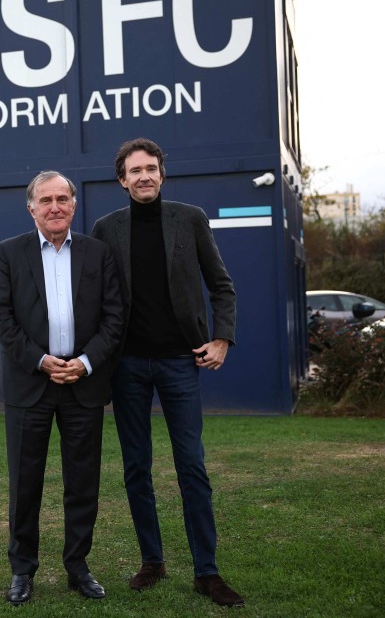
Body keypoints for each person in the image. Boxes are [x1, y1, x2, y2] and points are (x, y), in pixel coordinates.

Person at [91, 138, 244, 607]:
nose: (144, 176)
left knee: (191, 466)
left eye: (151, 168)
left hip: (181, 361)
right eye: (134, 170)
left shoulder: (190, 219)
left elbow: (221, 285)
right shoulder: (105, 228)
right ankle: (152, 561)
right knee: (137, 468)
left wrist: (222, 338)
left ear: (162, 173)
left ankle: (207, 572)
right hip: (128, 366)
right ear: (122, 179)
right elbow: (94, 298)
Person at [0, 171, 124, 606]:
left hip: (83, 384)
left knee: (83, 483)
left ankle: (78, 567)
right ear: (31, 208)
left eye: (62, 198)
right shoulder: (8, 253)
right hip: (29, 384)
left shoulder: (98, 253)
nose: (54, 207)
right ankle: (22, 570)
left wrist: (83, 364)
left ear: (73, 204)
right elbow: (1, 319)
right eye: (45, 200)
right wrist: (41, 360)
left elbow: (114, 317)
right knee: (24, 484)